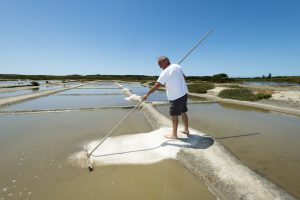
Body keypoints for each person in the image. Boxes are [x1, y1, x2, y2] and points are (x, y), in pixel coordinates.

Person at [142, 56, 189, 139]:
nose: (160, 67)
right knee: (183, 112)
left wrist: (147, 94)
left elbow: (157, 85)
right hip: (184, 94)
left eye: (160, 64)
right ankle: (186, 130)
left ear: (166, 61)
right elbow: (184, 77)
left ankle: (174, 135)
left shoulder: (166, 71)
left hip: (175, 96)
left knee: (174, 115)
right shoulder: (178, 66)